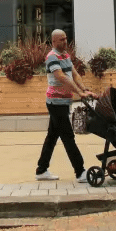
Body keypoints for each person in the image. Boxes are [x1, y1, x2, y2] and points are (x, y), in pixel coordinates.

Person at [35, 29, 93, 183]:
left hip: (63, 102)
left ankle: (41, 170)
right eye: (61, 39)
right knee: (68, 137)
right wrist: (79, 93)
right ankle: (80, 172)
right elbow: (61, 77)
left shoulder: (65, 56)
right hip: (55, 103)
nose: (65, 41)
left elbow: (74, 74)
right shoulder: (52, 57)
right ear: (53, 42)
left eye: (66, 39)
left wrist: (85, 90)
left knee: (52, 136)